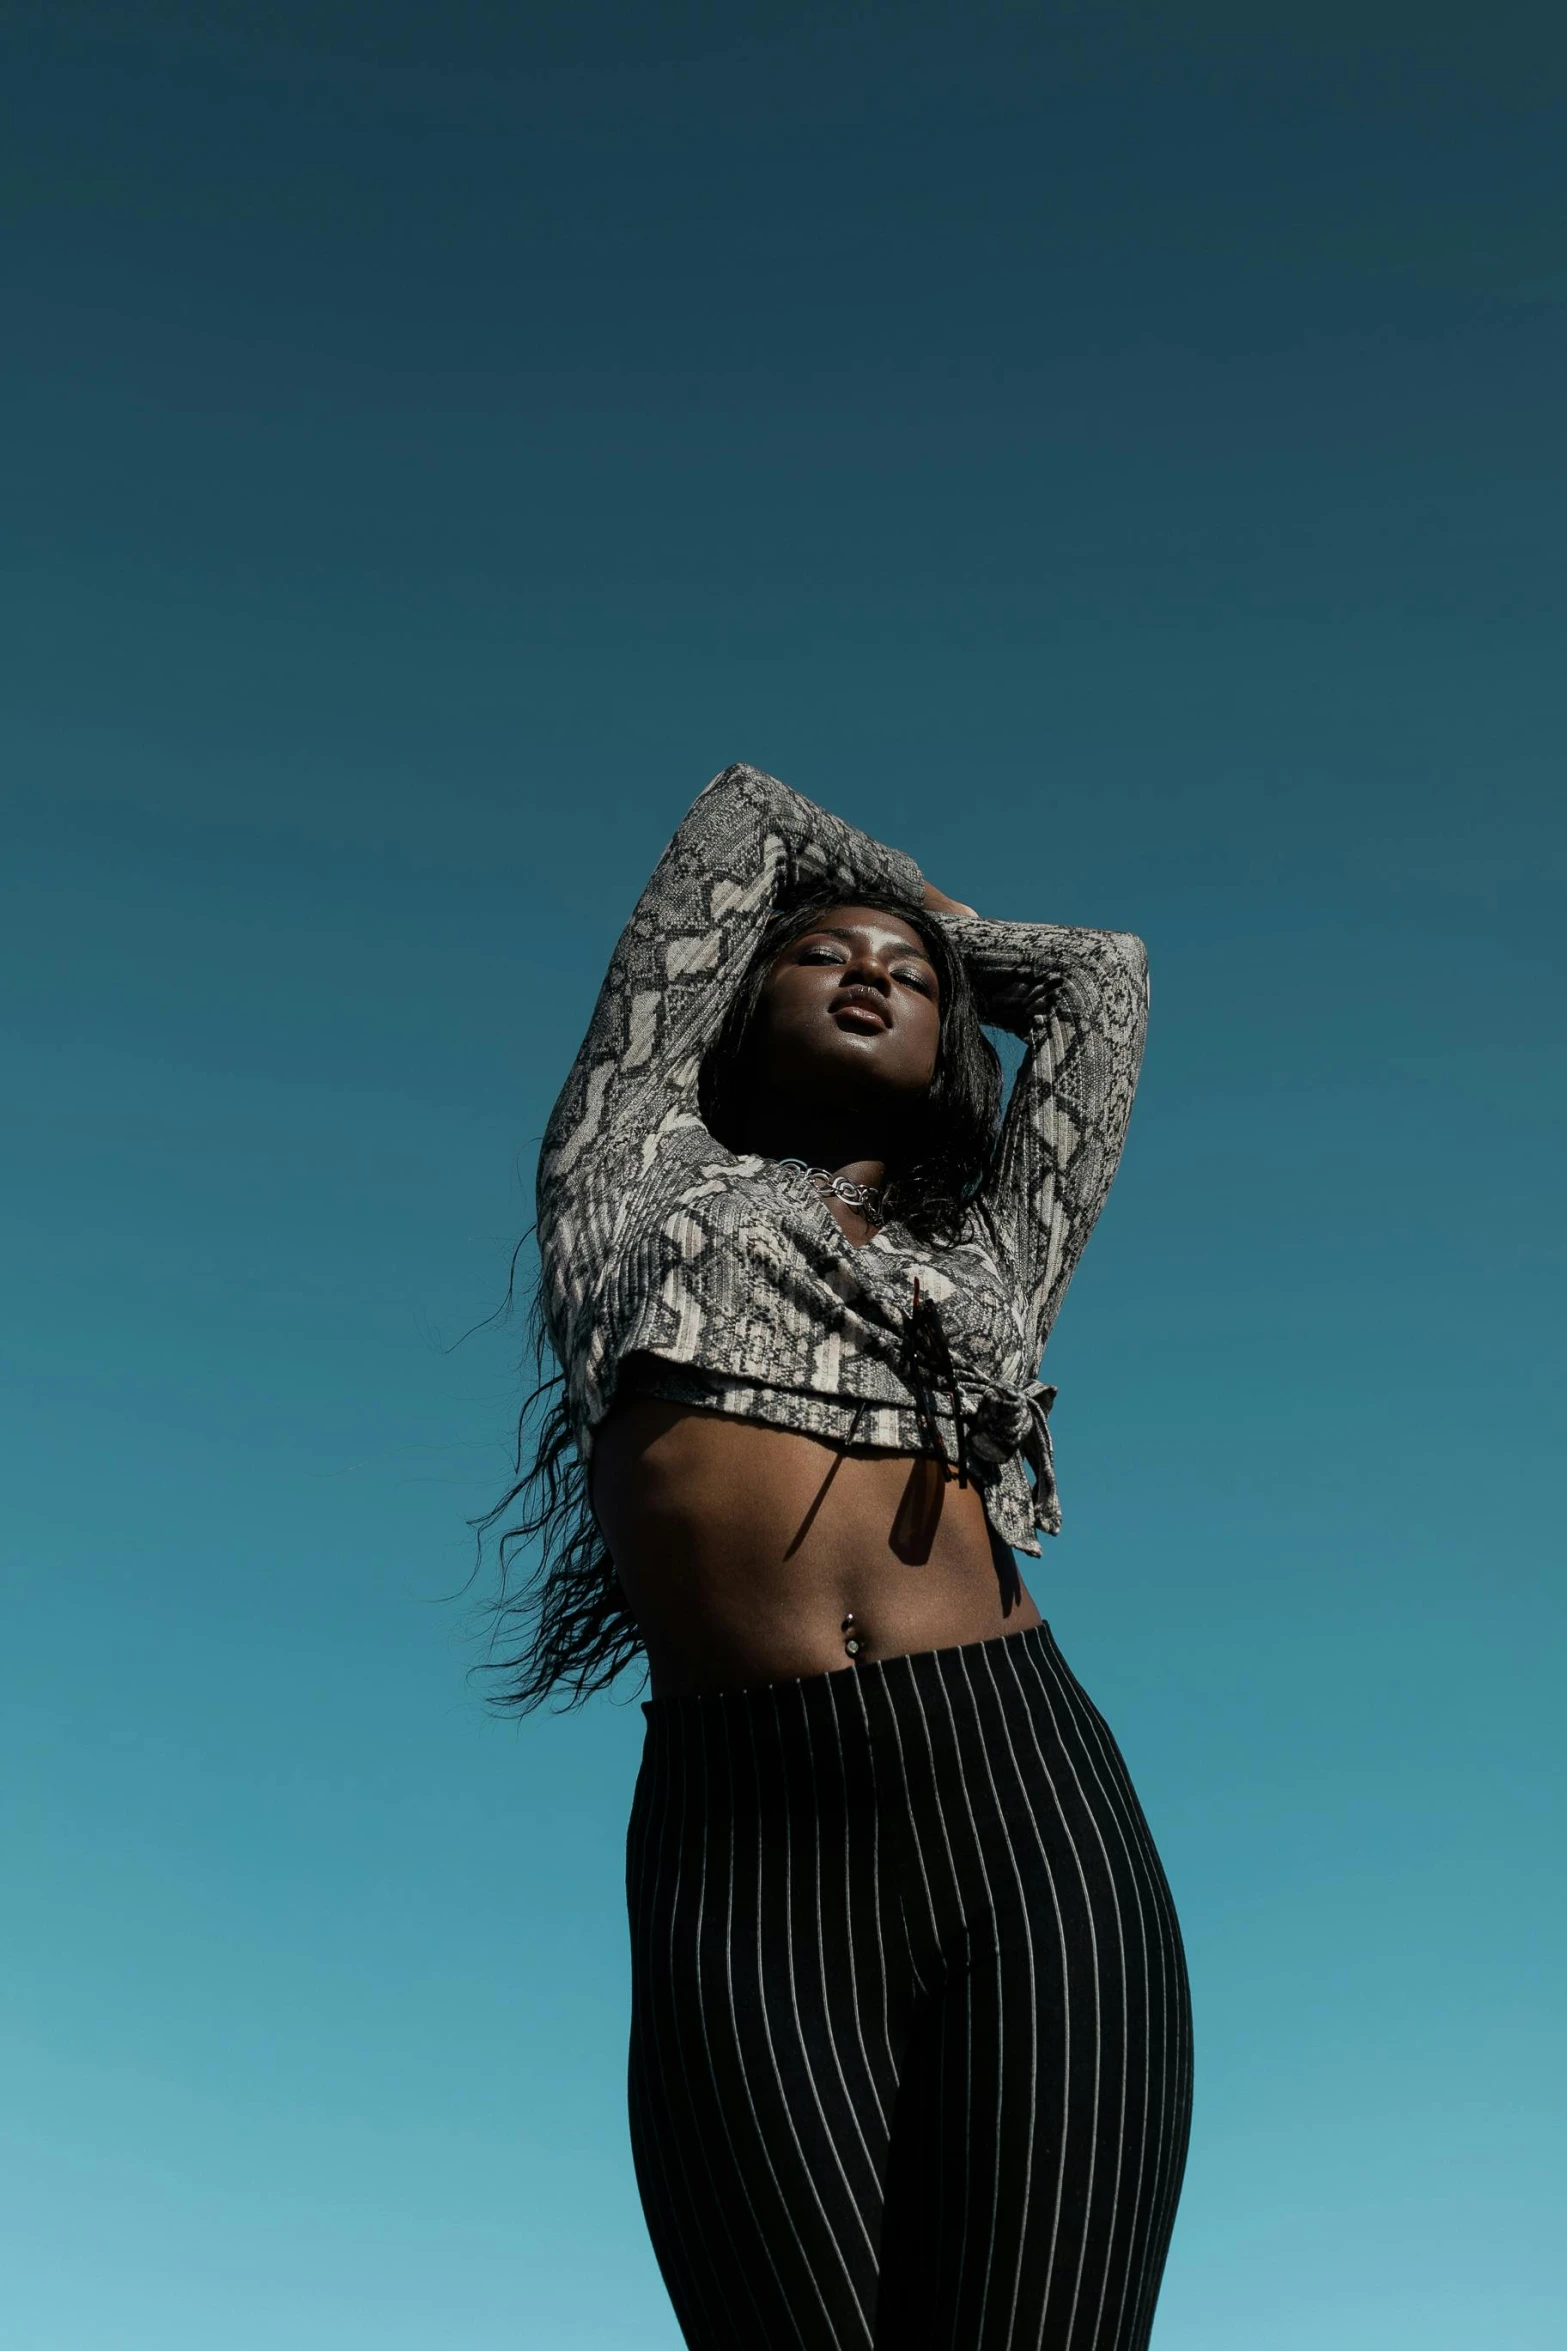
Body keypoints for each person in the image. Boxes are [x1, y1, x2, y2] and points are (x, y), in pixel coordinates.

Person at [493, 762, 1192, 2351]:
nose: (871, 970)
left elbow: (1102, 977)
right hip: (741, 1851)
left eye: (908, 977)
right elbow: (742, 815)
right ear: (743, 1000)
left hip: (1023, 1804)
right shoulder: (624, 1173)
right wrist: (923, 909)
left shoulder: (996, 1248)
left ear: (956, 1044)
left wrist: (947, 946)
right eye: (826, 953)